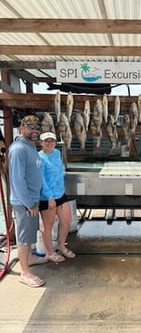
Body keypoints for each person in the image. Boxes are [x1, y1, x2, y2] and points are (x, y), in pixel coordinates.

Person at [9, 115, 47, 288]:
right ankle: (24, 273)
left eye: (37, 128)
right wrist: (29, 203)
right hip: (24, 202)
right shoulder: (18, 149)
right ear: (21, 129)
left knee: (31, 232)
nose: (34, 130)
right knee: (24, 237)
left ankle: (30, 258)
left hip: (33, 200)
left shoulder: (31, 146)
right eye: (30, 127)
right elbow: (17, 180)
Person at [38, 131, 75, 262]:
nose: (49, 143)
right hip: (47, 197)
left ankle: (61, 245)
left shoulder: (57, 153)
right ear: (41, 142)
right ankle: (49, 252)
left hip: (60, 194)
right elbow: (41, 180)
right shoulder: (39, 158)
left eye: (52, 141)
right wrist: (49, 197)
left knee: (67, 221)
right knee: (47, 226)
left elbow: (58, 172)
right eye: (46, 141)